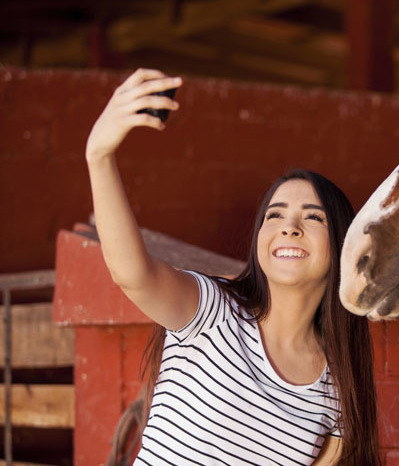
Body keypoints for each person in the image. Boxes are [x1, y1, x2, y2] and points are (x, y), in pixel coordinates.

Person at [85, 68, 381, 465]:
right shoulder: (213, 310)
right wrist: (99, 156)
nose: (289, 228)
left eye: (313, 218)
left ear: (342, 244)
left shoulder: (337, 385)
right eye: (274, 216)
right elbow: (133, 275)